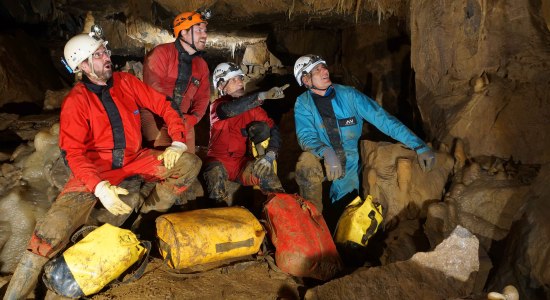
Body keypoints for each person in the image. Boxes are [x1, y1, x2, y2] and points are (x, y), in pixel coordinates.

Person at [3, 27, 201, 299]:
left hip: (134, 161)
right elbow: (74, 153)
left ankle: (146, 218)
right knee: (49, 232)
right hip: (95, 171)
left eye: (104, 50)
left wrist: (178, 141)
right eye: (97, 54)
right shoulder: (77, 102)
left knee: (188, 164)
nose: (106, 56)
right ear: (83, 65)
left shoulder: (125, 82)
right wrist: (99, 188)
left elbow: (164, 105)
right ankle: (16, 293)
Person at [293, 54, 436, 212]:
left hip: (351, 162)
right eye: (317, 70)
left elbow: (384, 121)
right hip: (324, 160)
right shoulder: (303, 103)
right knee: (306, 162)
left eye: (324, 67)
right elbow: (305, 136)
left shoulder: (349, 96)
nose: (325, 71)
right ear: (306, 80)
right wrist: (326, 151)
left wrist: (419, 145)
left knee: (348, 210)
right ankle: (313, 217)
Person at [204, 62, 287, 206]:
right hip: (217, 162)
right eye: (234, 79)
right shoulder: (216, 107)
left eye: (241, 78)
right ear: (221, 85)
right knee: (216, 183)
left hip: (240, 165)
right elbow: (230, 110)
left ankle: (285, 217)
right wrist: (263, 95)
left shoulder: (253, 109)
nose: (240, 82)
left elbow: (274, 130)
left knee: (268, 175)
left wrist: (270, 154)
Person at [140, 9, 211, 153]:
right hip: (156, 116)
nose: (204, 35)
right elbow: (154, 89)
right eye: (199, 30)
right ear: (183, 32)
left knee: (189, 164)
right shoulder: (161, 53)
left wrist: (194, 118)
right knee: (162, 162)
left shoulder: (201, 65)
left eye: (205, 31)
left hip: (184, 120)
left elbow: (203, 97)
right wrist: (173, 116)